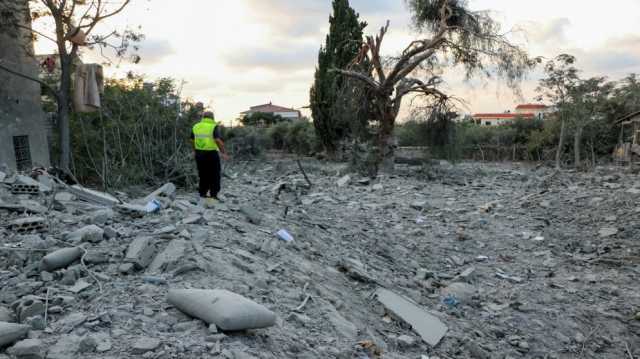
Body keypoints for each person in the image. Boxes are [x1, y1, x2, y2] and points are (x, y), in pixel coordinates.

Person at [191, 110, 229, 203]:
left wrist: (194, 150)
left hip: (199, 153)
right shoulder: (213, 126)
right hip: (211, 154)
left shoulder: (196, 126)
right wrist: (223, 152)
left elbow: (192, 140)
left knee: (202, 174)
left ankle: (202, 193)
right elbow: (218, 141)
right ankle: (213, 195)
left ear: (203, 117)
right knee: (214, 174)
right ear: (212, 117)